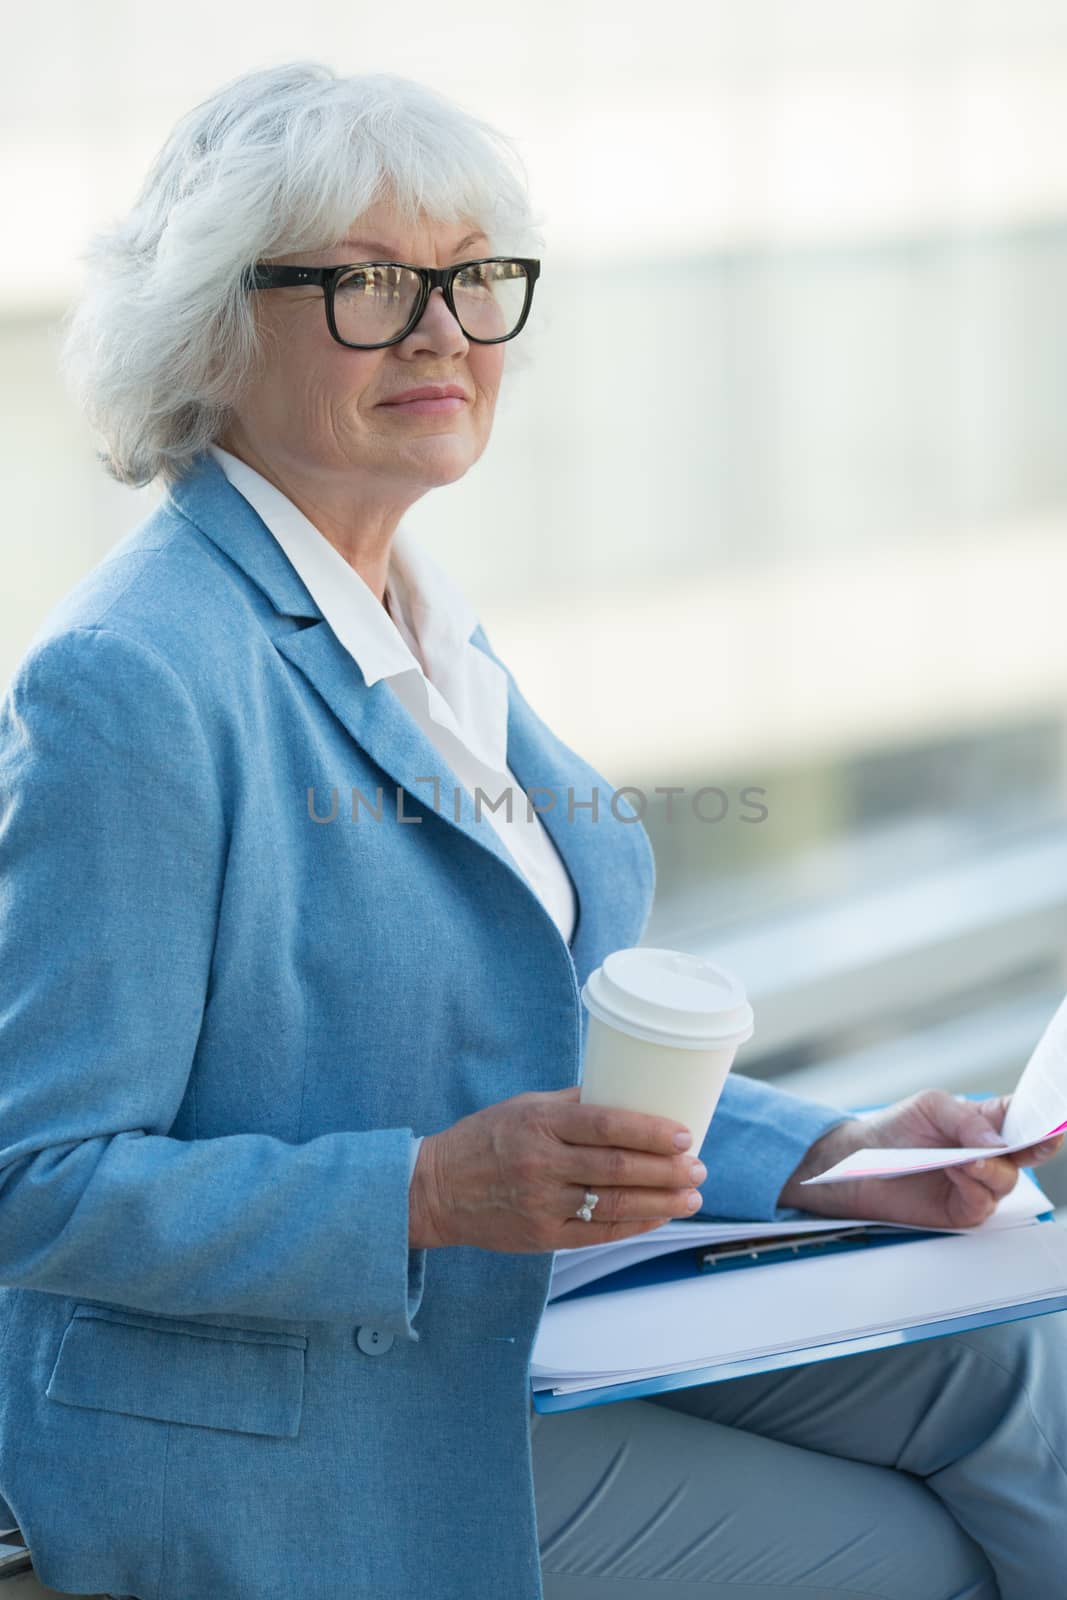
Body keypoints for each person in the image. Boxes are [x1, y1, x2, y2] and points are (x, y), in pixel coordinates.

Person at [0, 59, 1062, 1600]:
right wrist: (427, 1189)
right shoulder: (134, 682)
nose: (442, 330)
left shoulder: (416, 624)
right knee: (905, 1556)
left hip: (523, 1296)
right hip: (290, 1407)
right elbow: (37, 1175)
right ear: (211, 330)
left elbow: (513, 1026)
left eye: (471, 278)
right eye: (370, 282)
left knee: (1019, 1377)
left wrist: (828, 1153)